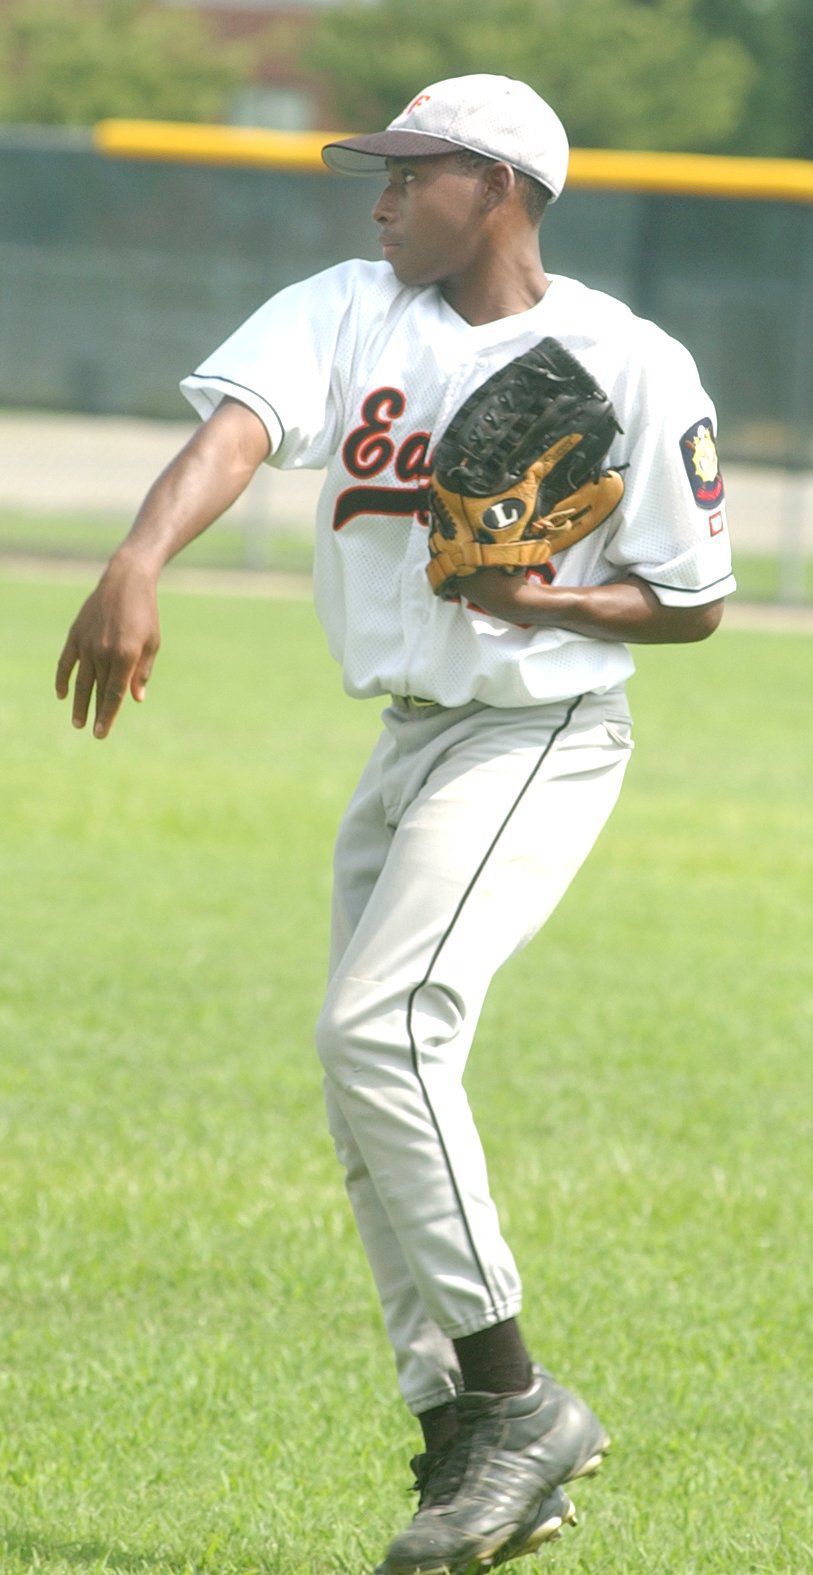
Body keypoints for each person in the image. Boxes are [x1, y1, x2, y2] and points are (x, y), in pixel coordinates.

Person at [56, 74, 735, 1575]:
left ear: (494, 186)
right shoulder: (349, 308)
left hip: (539, 730)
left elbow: (692, 599)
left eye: (407, 173)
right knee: (360, 1090)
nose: (376, 196)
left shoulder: (625, 356)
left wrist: (552, 598)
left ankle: (514, 1401)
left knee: (384, 1033)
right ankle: (459, 1446)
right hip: (406, 744)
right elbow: (240, 432)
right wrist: (140, 555)